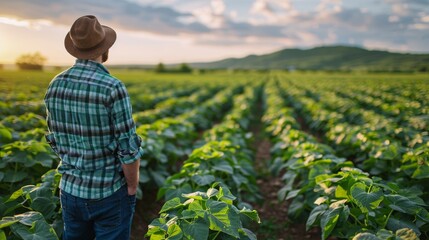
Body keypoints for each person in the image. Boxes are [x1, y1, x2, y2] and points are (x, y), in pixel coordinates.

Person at [44, 15, 144, 240]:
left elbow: (55, 138)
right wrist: (131, 186)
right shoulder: (112, 87)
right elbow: (128, 148)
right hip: (107, 192)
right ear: (104, 49)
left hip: (69, 190)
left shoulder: (55, 84)